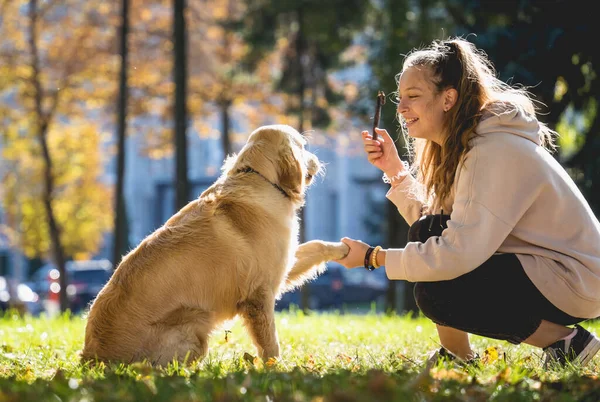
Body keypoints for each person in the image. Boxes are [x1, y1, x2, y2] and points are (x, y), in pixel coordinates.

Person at [334, 37, 600, 367]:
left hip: (574, 279)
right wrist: (394, 170)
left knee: (437, 293)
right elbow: (434, 227)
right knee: (430, 235)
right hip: (548, 269)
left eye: (413, 97)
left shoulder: (491, 151)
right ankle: (457, 356)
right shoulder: (466, 146)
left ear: (448, 98)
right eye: (399, 98)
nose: (401, 109)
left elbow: (457, 252)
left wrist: (374, 258)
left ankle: (567, 343)